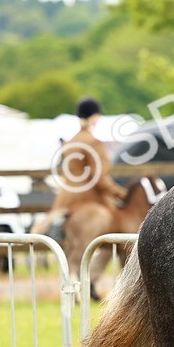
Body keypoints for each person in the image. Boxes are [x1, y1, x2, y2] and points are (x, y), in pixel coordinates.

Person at [33, 97, 124, 244]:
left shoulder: (71, 141)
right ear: (96, 117)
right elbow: (98, 177)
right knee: (120, 227)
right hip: (90, 196)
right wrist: (120, 193)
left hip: (66, 196)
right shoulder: (94, 142)